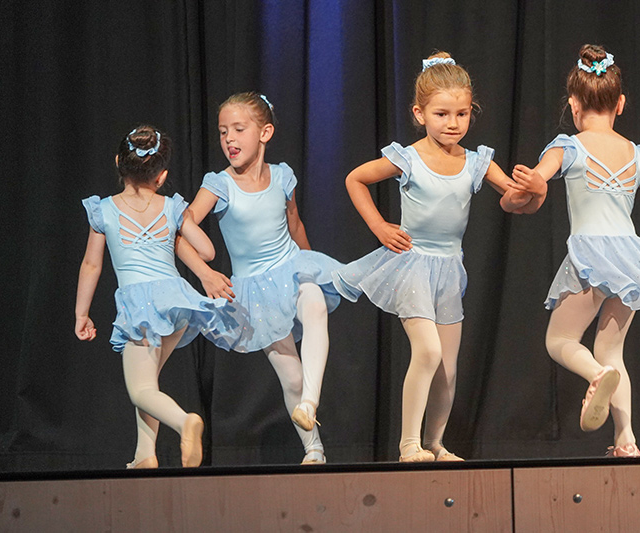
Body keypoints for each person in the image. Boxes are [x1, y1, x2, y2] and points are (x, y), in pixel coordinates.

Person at [333, 52, 546, 462]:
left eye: (461, 114)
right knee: (428, 352)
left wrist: (535, 189)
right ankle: (408, 444)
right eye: (442, 114)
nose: (453, 123)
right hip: (412, 264)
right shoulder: (408, 158)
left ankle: (435, 442)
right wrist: (379, 226)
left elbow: (515, 200)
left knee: (447, 369)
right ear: (420, 114)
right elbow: (355, 178)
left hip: (449, 269)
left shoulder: (475, 162)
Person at [512, 44, 640, 457]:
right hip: (630, 260)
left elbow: (539, 180)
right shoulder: (639, 155)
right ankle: (626, 440)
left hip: (590, 256)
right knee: (612, 349)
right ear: (620, 104)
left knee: (560, 339)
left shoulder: (568, 147)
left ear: (573, 104)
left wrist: (529, 186)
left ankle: (596, 374)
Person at [188, 92, 343, 465]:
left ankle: (310, 402)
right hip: (255, 291)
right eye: (223, 131)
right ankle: (314, 449)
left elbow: (294, 223)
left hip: (291, 267)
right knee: (291, 377)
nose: (229, 139)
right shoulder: (219, 185)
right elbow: (181, 228)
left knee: (315, 305)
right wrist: (205, 273)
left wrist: (311, 264)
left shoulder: (283, 176)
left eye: (239, 129)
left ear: (265, 132)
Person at [76, 125, 237, 468]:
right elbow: (207, 251)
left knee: (140, 390)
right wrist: (178, 225)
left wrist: (82, 313)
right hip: (176, 301)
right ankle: (144, 455)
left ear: (118, 162)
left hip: (140, 306)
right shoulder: (170, 206)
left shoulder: (104, 210)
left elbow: (91, 265)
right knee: (148, 384)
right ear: (161, 176)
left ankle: (184, 421)